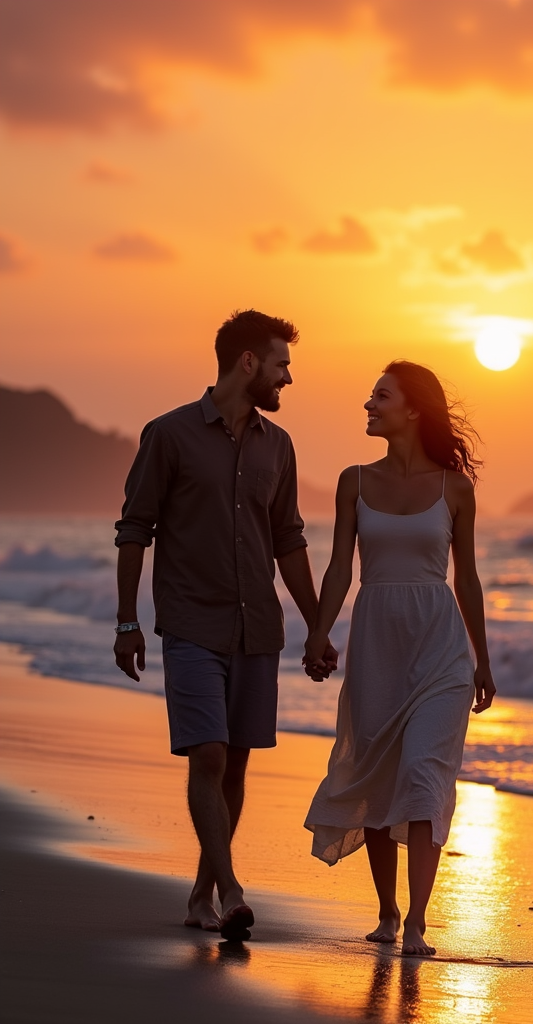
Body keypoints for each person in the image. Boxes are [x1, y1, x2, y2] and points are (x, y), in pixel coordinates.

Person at [114, 309, 337, 941]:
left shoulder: (279, 447)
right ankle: (233, 888)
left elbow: (288, 541)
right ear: (248, 363)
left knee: (235, 764)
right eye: (281, 364)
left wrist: (317, 628)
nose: (288, 378)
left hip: (256, 629)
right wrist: (127, 619)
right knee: (206, 754)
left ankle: (201, 894)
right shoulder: (169, 435)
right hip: (189, 622)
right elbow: (135, 530)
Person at [303, 360, 495, 957]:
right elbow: (340, 566)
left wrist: (482, 661)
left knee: (421, 775)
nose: (368, 404)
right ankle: (386, 912)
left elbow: (467, 580)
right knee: (377, 776)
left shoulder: (455, 489)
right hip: (377, 644)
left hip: (440, 650)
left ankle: (416, 922)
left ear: (413, 409)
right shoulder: (353, 481)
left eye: (380, 396)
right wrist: (317, 631)